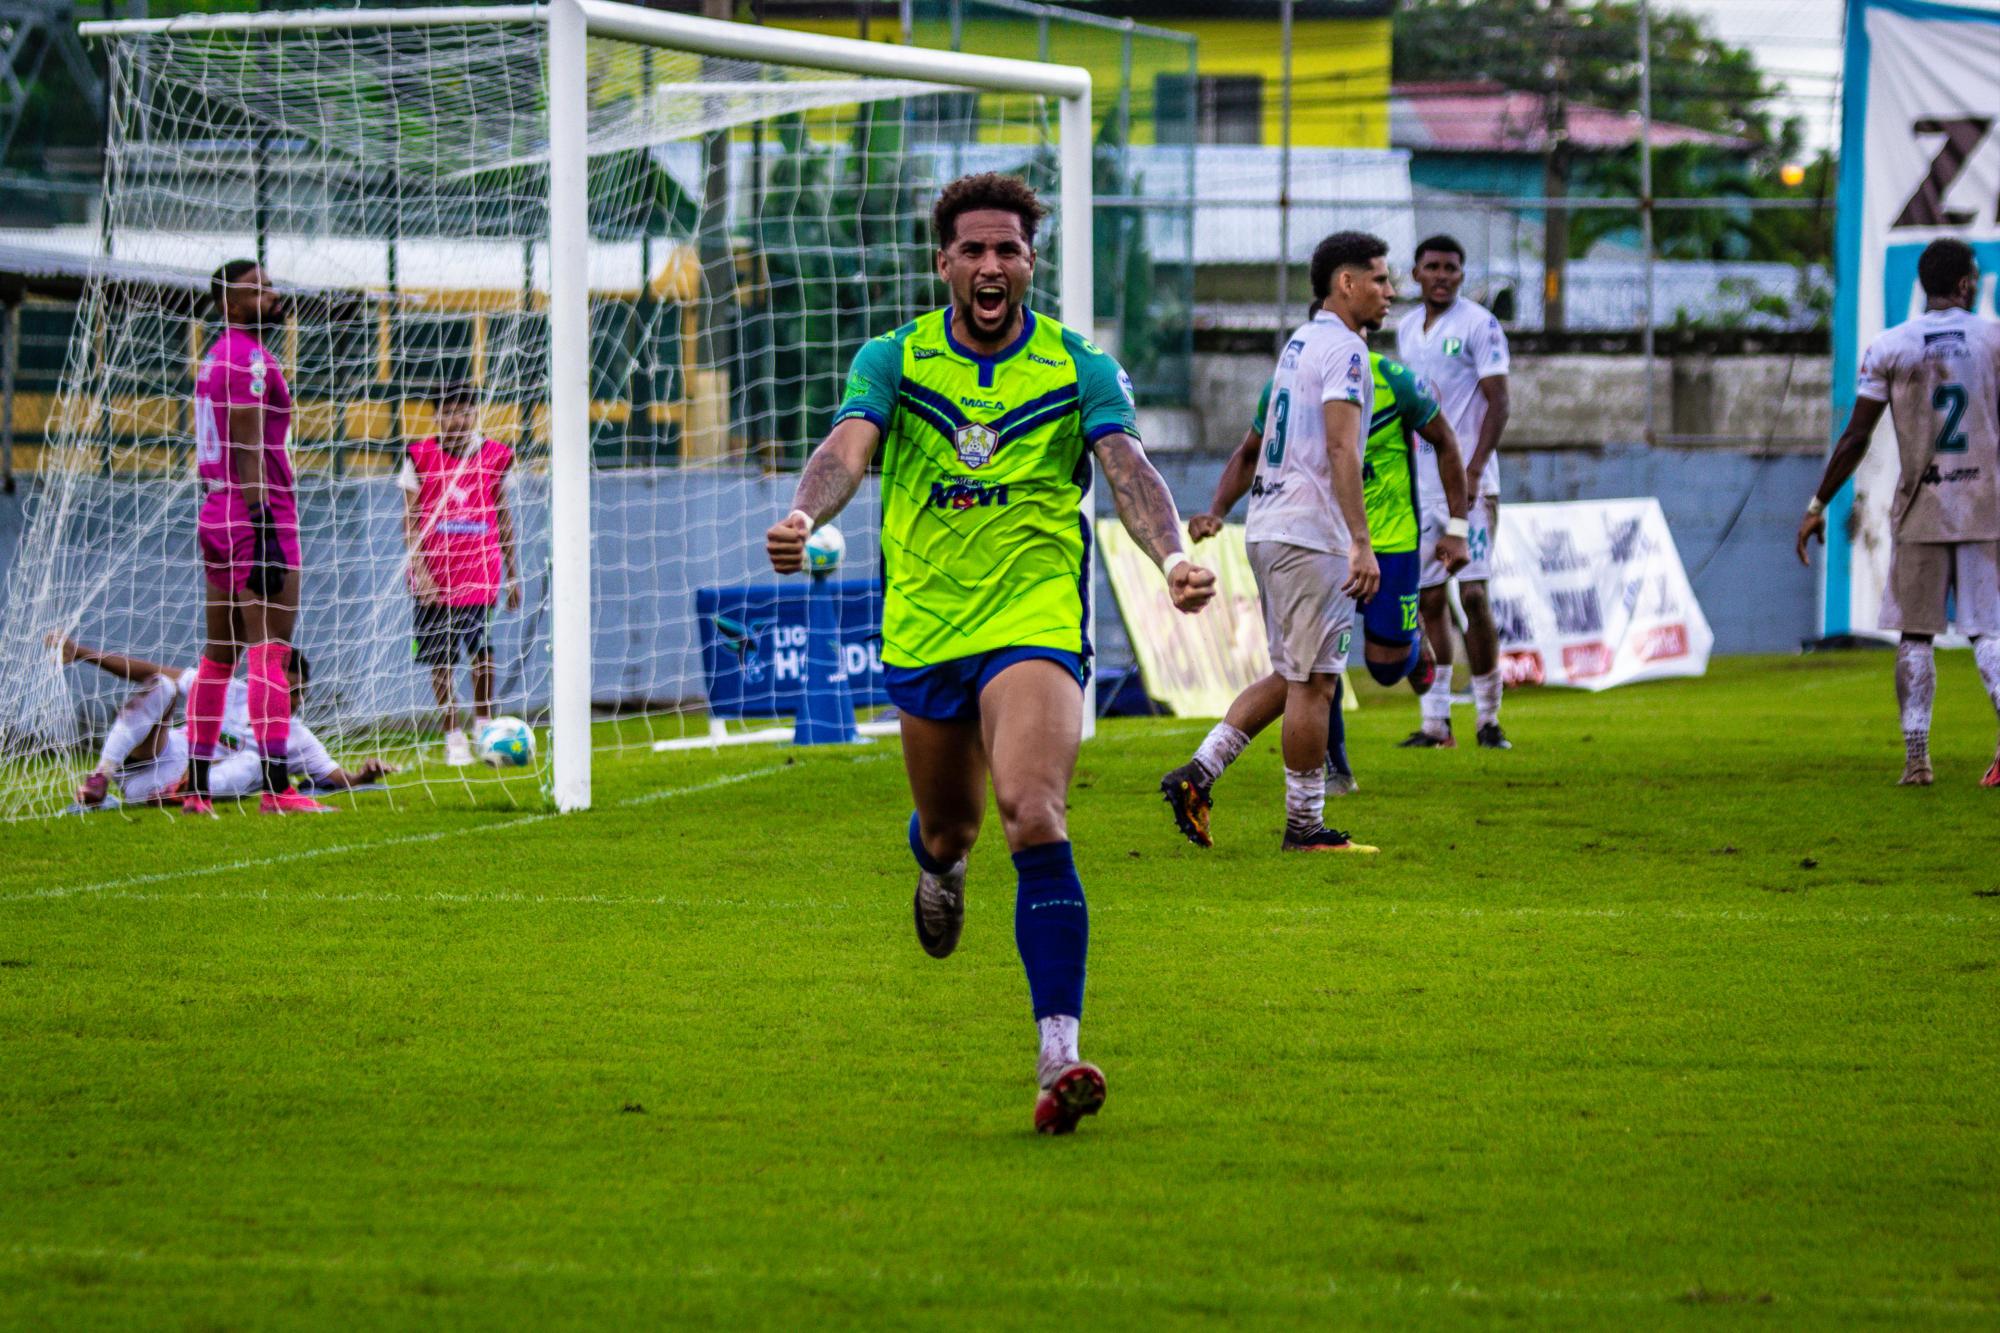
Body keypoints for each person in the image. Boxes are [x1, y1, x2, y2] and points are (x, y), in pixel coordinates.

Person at [764, 172, 1215, 1135]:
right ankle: (937, 862)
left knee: (1033, 811)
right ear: (943, 263)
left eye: (1007, 247)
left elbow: (1128, 470)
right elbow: (849, 445)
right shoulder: (894, 358)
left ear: (1030, 260)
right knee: (954, 829)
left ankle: (1059, 1051)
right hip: (927, 628)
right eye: (972, 249)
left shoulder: (1077, 364)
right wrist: (805, 509)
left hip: (1035, 618)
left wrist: (1173, 555)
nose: (991, 264)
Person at [1161, 327, 1470, 847]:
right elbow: (1285, 449)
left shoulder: (1388, 378)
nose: (1388, 292)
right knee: (1315, 678)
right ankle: (1306, 821)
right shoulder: (1326, 369)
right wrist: (1217, 509)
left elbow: (1444, 439)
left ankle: (1203, 772)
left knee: (1351, 667)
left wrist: (1457, 527)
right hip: (1329, 537)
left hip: (1377, 539)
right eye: (1377, 280)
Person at [1798, 237, 2000, 787]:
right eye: (1975, 278)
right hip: (1986, 504)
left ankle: (1917, 759)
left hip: (1921, 505)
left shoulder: (1891, 346)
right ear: (1964, 284)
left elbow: (1855, 437)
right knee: (1988, 632)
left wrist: (1818, 504)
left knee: (1915, 635)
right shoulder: (1994, 339)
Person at [189, 259, 322, 814]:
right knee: (270, 650)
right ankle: (278, 789)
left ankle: (196, 790)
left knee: (220, 654)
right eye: (256, 289)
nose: (269, 294)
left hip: (216, 510)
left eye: (269, 284)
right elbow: (247, 447)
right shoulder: (248, 359)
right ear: (229, 303)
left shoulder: (214, 356)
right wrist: (264, 524)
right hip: (254, 513)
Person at [1395, 235, 1515, 750]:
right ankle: (1436, 723)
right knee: (1428, 601)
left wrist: (1475, 466)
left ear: (1462, 275)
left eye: (1451, 267)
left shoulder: (1479, 325)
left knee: (1473, 594)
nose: (1442, 275)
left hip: (1469, 485)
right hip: (1419, 486)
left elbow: (1499, 402)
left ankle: (1488, 718)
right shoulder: (1404, 329)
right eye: (1433, 267)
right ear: (1416, 273)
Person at [50, 633, 394, 808]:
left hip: (172, 791)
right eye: (277, 689)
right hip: (153, 758)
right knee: (164, 686)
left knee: (257, 762)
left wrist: (364, 775)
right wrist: (81, 653)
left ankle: (188, 790)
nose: (285, 700)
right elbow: (150, 670)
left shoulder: (296, 736)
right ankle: (101, 776)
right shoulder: (229, 691)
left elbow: (337, 778)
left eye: (293, 693)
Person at [401, 381, 520, 766]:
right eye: (449, 410)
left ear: (475, 414)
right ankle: (453, 736)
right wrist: (420, 571)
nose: (458, 418)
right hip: (435, 574)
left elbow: (502, 515)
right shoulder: (418, 456)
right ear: (436, 415)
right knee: (441, 658)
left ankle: (483, 724)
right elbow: (411, 518)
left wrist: (514, 574)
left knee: (482, 653)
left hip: (480, 571)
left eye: (465, 410)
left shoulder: (495, 456)